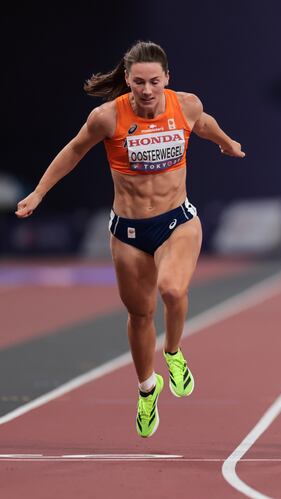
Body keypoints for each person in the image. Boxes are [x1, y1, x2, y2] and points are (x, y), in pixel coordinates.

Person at [15, 41, 245, 437]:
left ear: (167, 79)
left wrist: (226, 142)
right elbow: (73, 151)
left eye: (155, 81)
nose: (147, 90)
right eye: (139, 82)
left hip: (177, 221)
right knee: (139, 316)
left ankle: (173, 353)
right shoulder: (107, 117)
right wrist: (38, 192)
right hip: (128, 230)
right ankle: (146, 389)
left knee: (173, 290)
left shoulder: (185, 104)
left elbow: (204, 124)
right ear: (127, 80)